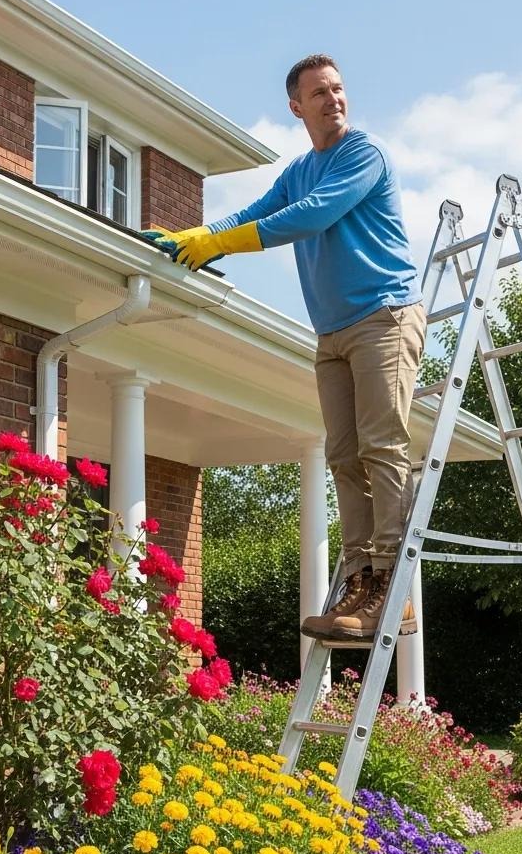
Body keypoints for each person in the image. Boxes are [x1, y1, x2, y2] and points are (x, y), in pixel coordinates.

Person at [156, 54, 425, 640]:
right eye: (319, 92)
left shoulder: (364, 154)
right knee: (344, 456)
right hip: (331, 332)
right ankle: (359, 578)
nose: (333, 98)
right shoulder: (301, 168)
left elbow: (311, 217)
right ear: (296, 106)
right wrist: (199, 237)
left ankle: (392, 588)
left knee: (382, 447)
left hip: (384, 316)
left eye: (338, 88)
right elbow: (262, 210)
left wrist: (219, 243)